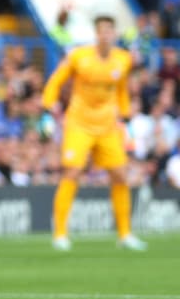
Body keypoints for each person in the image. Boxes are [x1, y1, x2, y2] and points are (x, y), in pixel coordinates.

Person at [41, 14, 146, 251]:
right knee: (73, 171)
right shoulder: (79, 56)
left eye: (110, 31)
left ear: (115, 34)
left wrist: (126, 114)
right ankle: (60, 234)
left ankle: (125, 234)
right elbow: (56, 80)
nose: (106, 35)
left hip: (107, 125)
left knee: (120, 175)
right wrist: (49, 104)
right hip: (79, 123)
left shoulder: (123, 60)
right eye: (102, 31)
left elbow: (121, 90)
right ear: (96, 34)